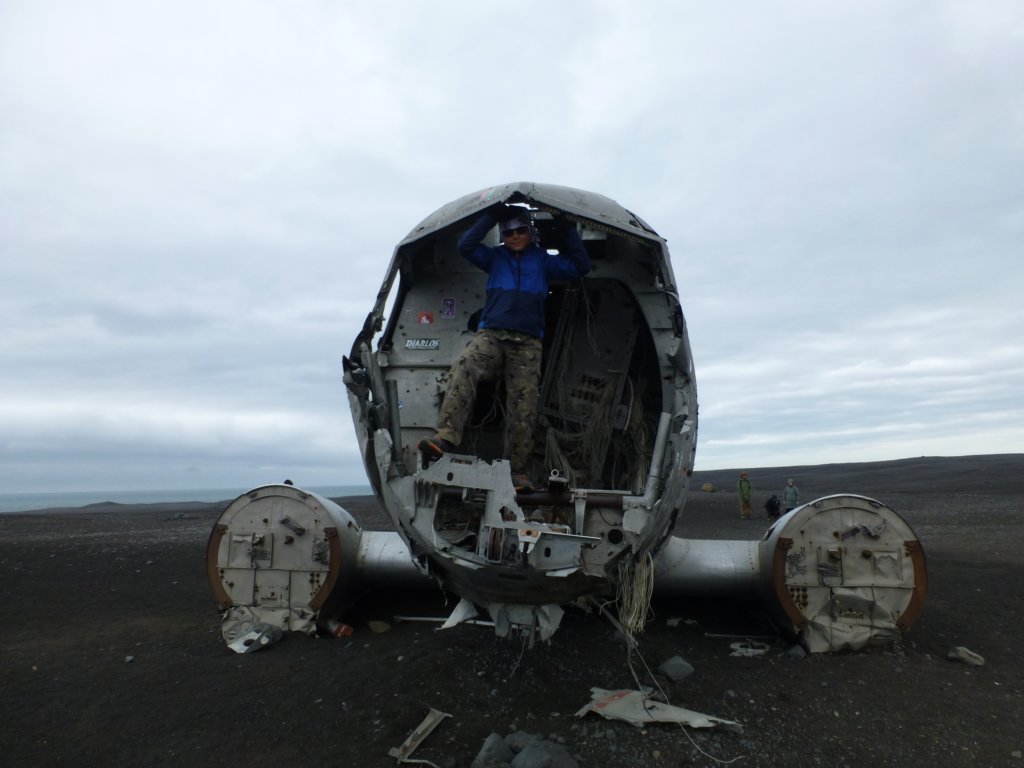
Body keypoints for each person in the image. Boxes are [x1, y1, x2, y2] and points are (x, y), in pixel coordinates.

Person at [418, 205, 592, 491]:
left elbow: (580, 266)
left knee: (524, 405)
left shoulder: (542, 261)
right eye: (508, 232)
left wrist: (565, 226)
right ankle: (445, 437)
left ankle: (517, 472)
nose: (515, 236)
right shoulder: (495, 258)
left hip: (527, 342)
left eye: (520, 230)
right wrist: (492, 215)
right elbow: (465, 246)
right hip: (492, 335)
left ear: (530, 232)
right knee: (465, 364)